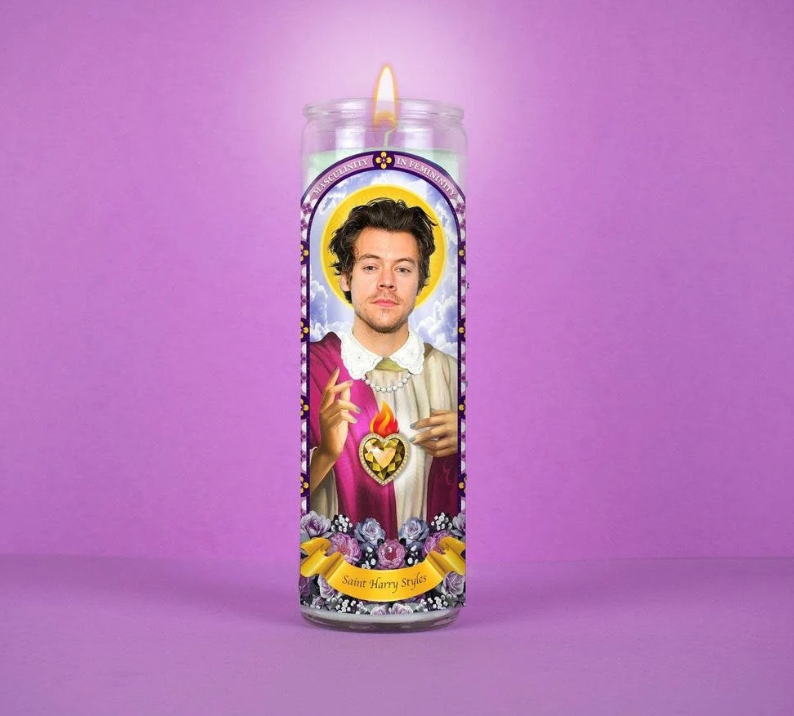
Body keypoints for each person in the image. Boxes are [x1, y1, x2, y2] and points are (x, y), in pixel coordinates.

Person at [308, 198, 459, 539]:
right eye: (371, 267)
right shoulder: (310, 370)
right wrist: (327, 453)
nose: (387, 282)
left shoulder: (453, 375)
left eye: (403, 269)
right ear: (346, 278)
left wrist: (472, 443)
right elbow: (260, 499)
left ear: (421, 282)